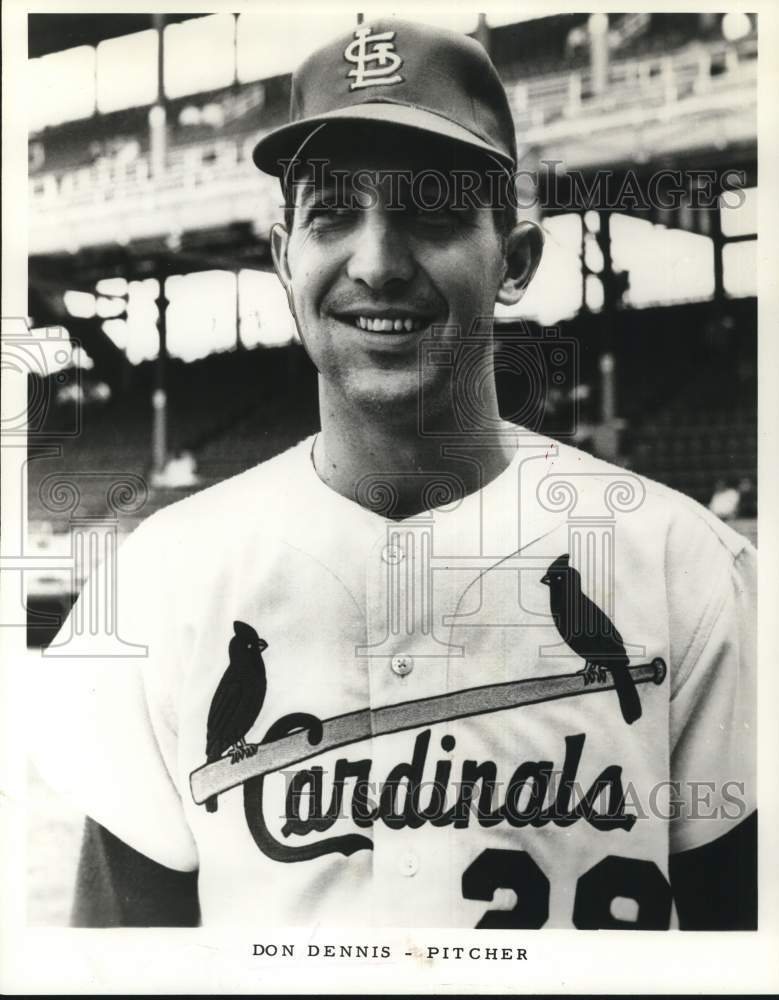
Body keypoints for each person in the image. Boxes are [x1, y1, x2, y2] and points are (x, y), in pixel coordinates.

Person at [33, 17, 756, 930]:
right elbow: (120, 965)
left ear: (516, 261)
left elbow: (743, 948)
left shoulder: (683, 567)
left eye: (434, 211)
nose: (376, 263)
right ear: (280, 256)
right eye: (333, 212)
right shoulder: (162, 579)